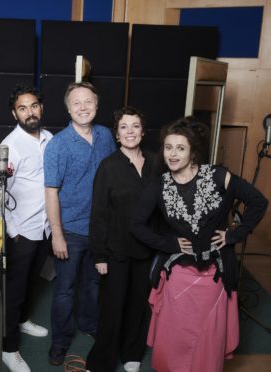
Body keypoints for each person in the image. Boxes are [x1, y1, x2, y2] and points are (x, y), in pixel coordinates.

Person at [130, 117, 268, 372]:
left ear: (193, 152)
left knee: (207, 338)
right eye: (168, 147)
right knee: (175, 337)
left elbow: (258, 201)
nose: (172, 154)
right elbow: (136, 225)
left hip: (214, 276)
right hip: (178, 276)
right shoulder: (159, 185)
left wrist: (234, 234)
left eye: (180, 148)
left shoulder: (217, 176)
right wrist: (169, 243)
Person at [44, 81, 116, 366]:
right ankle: (60, 342)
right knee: (65, 290)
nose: (83, 107)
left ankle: (89, 324)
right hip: (70, 230)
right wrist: (57, 235)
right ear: (68, 108)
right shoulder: (58, 145)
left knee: (93, 285)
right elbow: (50, 192)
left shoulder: (106, 136)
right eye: (76, 103)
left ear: (97, 106)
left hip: (100, 229)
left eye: (88, 102)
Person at [86, 107, 156, 372]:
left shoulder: (155, 163)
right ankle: (101, 361)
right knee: (113, 307)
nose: (130, 132)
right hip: (116, 251)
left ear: (143, 131)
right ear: (117, 134)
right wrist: (100, 255)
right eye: (124, 127)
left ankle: (132, 354)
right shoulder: (108, 167)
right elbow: (99, 214)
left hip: (147, 251)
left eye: (135, 126)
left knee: (139, 304)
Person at [0, 85, 52, 372]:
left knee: (31, 283)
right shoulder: (9, 145)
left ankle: (24, 321)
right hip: (21, 231)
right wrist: (12, 232)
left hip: (45, 228)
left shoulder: (50, 138)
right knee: (13, 292)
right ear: (14, 113)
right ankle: (8, 349)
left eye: (34, 106)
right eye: (23, 108)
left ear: (41, 107)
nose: (30, 112)